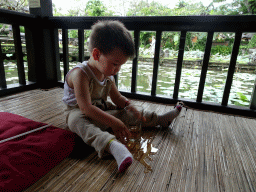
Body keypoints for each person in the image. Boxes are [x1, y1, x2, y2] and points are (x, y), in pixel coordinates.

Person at [62, 20, 182, 173]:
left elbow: (117, 99)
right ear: (96, 54)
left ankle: (159, 119)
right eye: (115, 64)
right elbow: (86, 108)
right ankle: (113, 146)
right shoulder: (81, 74)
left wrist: (128, 106)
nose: (117, 70)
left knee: (126, 113)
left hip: (102, 112)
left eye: (121, 66)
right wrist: (114, 122)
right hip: (79, 112)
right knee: (76, 122)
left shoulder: (107, 74)